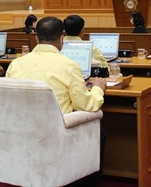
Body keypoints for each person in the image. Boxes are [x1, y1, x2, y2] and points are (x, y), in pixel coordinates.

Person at [6, 16, 106, 187]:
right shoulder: (69, 65)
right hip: (56, 133)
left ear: (37, 38)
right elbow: (86, 105)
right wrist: (98, 88)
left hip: (22, 130)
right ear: (62, 39)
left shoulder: (16, 64)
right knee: (100, 130)